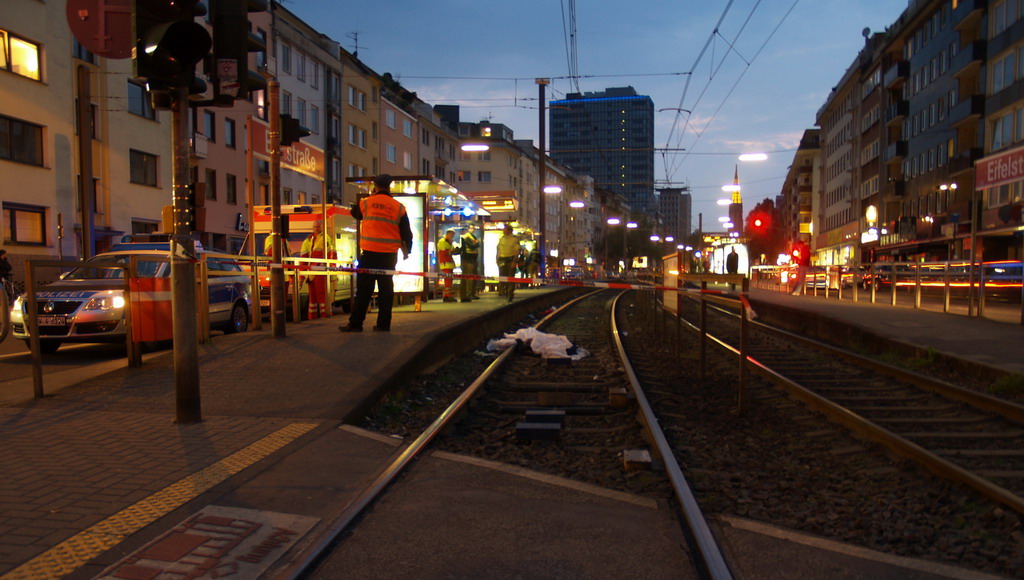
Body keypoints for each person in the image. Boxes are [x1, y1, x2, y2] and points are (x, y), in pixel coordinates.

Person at [339, 174, 414, 332]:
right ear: (389, 187)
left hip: (369, 253)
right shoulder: (398, 207)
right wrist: (408, 251)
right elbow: (407, 233)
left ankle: (356, 324)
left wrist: (372, 197)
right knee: (386, 290)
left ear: (375, 186)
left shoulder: (366, 203)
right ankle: (383, 324)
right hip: (388, 255)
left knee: (364, 291)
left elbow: (355, 214)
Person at [300, 220, 334, 319]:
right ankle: (312, 317)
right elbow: (303, 258)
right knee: (312, 298)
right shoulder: (309, 240)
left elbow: (331, 254)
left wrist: (331, 270)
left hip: (321, 271)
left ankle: (325, 316)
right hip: (311, 273)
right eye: (315, 227)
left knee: (322, 296)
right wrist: (302, 276)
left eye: (318, 227)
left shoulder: (325, 239)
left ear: (322, 228)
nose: (316, 228)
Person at [496, 225, 521, 302]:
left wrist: (514, 261)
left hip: (510, 260)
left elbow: (517, 251)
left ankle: (510, 294)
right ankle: (502, 292)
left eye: (505, 229)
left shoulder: (514, 239)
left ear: (509, 230)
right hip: (502, 260)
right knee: (502, 277)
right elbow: (499, 249)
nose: (503, 231)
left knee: (510, 278)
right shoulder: (502, 239)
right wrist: (497, 258)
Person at [459, 225, 480, 302]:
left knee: (473, 277)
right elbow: (472, 246)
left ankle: (471, 294)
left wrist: (476, 243)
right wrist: (477, 243)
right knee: (468, 278)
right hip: (468, 259)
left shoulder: (472, 236)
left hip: (472, 259)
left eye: (474, 228)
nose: (473, 229)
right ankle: (467, 295)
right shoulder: (467, 236)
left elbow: (476, 245)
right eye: (471, 228)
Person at [436, 229, 457, 302]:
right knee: (448, 281)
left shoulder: (448, 242)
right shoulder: (442, 241)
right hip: (445, 263)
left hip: (449, 264)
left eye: (453, 236)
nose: (452, 237)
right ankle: (447, 296)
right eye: (451, 235)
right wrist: (452, 251)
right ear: (448, 234)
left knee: (449, 280)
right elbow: (444, 253)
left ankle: (448, 295)